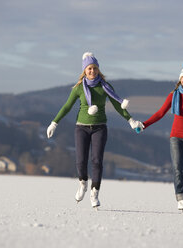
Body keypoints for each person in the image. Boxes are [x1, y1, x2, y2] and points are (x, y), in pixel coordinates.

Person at [47, 52, 143, 208]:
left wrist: (131, 120)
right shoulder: (78, 88)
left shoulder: (105, 86)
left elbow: (119, 105)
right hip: (81, 128)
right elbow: (67, 106)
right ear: (85, 70)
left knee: (97, 161)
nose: (92, 71)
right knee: (80, 161)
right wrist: (54, 123)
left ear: (98, 70)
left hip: (100, 128)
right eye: (89, 68)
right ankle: (83, 183)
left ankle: (94, 193)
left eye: (95, 68)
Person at [139, 61, 183, 214]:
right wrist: (144, 124)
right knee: (177, 168)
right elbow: (160, 113)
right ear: (180, 79)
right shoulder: (173, 95)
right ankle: (181, 197)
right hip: (175, 137)